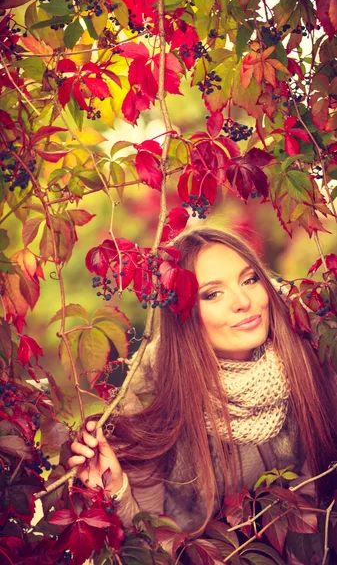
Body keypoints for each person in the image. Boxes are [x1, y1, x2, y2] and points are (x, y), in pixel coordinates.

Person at [68, 226, 337, 535]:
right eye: (212, 294)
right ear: (184, 313)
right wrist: (115, 489)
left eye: (250, 279)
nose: (242, 301)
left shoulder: (313, 350)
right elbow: (151, 540)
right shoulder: (150, 394)